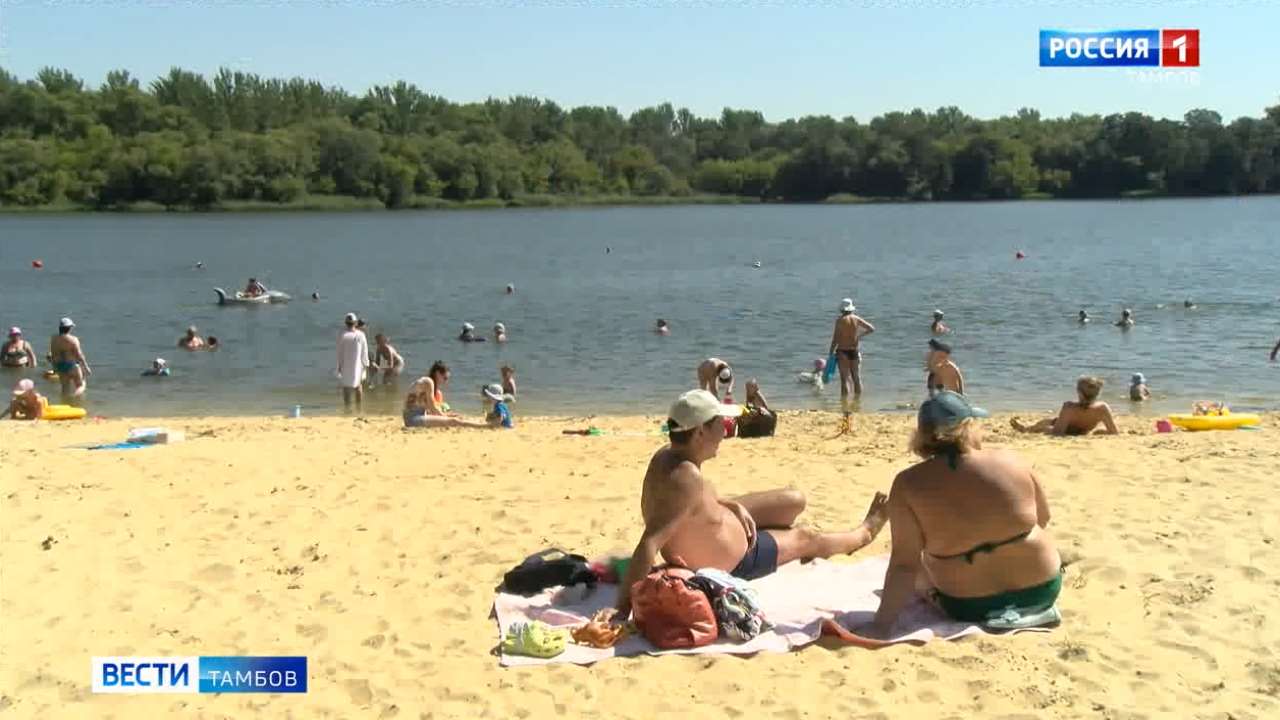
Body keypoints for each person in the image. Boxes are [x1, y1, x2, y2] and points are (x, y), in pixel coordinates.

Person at [611, 389, 888, 619]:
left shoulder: (668, 457)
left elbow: (688, 503)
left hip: (720, 520)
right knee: (806, 536)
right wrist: (621, 612)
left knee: (794, 500)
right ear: (699, 433)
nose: (726, 431)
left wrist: (731, 505)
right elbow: (650, 542)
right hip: (736, 558)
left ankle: (756, 519)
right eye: (721, 424)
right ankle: (862, 534)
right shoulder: (686, 479)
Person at [857, 391, 1061, 638]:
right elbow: (1043, 518)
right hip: (1042, 588)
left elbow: (904, 565)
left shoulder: (908, 483)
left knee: (919, 569)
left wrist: (881, 626)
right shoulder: (1011, 460)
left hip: (969, 604)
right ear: (968, 427)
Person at [1011, 376, 1119, 436]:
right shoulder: (1102, 408)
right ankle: (1028, 428)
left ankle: (1027, 429)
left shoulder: (1069, 407)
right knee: (1050, 420)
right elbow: (1114, 432)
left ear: (1079, 393)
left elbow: (1058, 432)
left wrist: (1046, 430)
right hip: (1084, 430)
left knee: (1046, 424)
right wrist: (1097, 432)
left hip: (1067, 429)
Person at [402, 362, 489, 428]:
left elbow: (429, 409)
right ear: (437, 374)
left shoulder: (426, 383)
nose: (445, 382)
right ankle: (482, 426)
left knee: (454, 418)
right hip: (414, 419)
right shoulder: (428, 382)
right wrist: (446, 417)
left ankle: (477, 423)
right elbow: (433, 408)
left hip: (412, 418)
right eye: (445, 378)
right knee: (453, 421)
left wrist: (447, 415)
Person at [828, 298, 875, 403]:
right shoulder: (856, 319)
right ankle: (857, 402)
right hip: (854, 351)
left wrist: (831, 351)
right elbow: (871, 328)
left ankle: (844, 403)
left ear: (842, 310)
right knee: (856, 378)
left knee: (844, 380)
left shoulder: (840, 320)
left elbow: (836, 337)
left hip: (842, 351)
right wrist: (859, 335)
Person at [336, 313, 370, 413]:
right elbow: (365, 351)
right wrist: (366, 363)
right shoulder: (361, 335)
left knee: (346, 388)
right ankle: (359, 408)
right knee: (358, 386)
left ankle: (348, 409)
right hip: (358, 365)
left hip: (346, 364)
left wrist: (338, 366)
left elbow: (339, 352)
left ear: (346, 323)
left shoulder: (342, 335)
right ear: (355, 323)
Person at [49, 317, 90, 398]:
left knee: (65, 388)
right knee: (81, 385)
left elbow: (53, 353)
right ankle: (74, 398)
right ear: (69, 328)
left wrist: (54, 367)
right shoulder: (73, 340)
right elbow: (79, 355)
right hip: (71, 365)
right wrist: (86, 367)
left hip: (59, 365)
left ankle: (65, 402)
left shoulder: (54, 338)